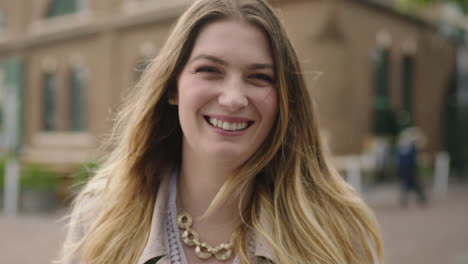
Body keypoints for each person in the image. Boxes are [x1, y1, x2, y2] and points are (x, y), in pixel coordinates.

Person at [59, 0, 383, 263]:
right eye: (209, 71)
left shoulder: (335, 229)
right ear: (173, 87)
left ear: (285, 98)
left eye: (259, 77)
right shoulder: (101, 216)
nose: (232, 99)